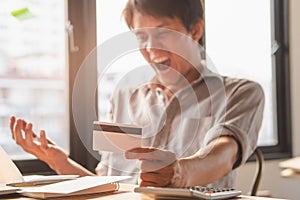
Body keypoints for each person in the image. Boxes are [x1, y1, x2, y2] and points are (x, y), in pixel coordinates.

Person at [9, 0, 264, 188]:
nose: (151, 48)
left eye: (163, 33)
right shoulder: (123, 96)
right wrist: (59, 162)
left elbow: (223, 154)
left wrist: (178, 173)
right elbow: (108, 185)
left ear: (195, 30)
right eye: (142, 37)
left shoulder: (241, 93)